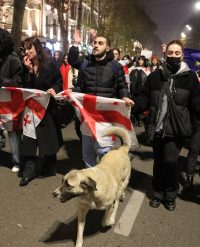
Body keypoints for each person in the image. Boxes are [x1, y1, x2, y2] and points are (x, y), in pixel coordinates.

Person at [131, 40, 200, 211]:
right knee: (158, 163)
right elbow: (144, 99)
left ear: (182, 55)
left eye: (177, 53)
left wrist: (192, 128)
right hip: (157, 128)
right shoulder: (155, 76)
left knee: (170, 162)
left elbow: (196, 104)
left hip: (176, 130)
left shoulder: (190, 77)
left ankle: (170, 194)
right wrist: (132, 103)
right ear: (165, 54)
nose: (174, 56)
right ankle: (157, 193)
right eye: (171, 53)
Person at [68, 30, 133, 168]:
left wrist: (126, 97)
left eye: (100, 43)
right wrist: (75, 44)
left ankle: (105, 180)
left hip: (105, 117)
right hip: (88, 115)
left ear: (107, 48)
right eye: (94, 43)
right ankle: (90, 182)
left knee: (103, 151)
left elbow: (122, 87)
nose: (96, 45)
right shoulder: (86, 64)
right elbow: (79, 82)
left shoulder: (115, 66)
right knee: (87, 153)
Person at [20, 37, 63, 186]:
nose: (26, 52)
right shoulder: (25, 65)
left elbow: (59, 82)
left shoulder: (50, 65)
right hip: (30, 109)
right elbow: (24, 86)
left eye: (29, 48)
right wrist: (29, 71)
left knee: (47, 139)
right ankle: (28, 171)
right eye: (25, 49)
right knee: (29, 140)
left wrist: (54, 89)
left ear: (37, 48)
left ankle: (49, 167)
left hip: (46, 108)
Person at [0, 28, 23, 173]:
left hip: (9, 103)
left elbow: (18, 81)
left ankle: (17, 161)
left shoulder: (13, 59)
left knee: (13, 133)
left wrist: (2, 81)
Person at [129, 55, 150, 126]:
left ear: (144, 61)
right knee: (134, 104)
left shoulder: (147, 70)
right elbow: (130, 79)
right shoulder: (134, 69)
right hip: (134, 90)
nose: (140, 61)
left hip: (142, 90)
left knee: (141, 105)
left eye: (142, 60)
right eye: (139, 60)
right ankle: (134, 119)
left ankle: (140, 119)